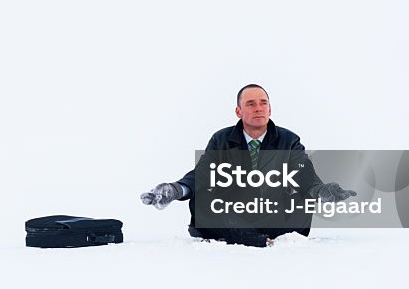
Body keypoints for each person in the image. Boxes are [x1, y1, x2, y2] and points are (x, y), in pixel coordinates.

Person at [140, 84, 356, 246]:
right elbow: (204, 172)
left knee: (301, 196)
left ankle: (251, 236)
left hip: (273, 214)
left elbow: (303, 173)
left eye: (263, 103)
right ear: (238, 111)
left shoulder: (288, 140)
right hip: (232, 215)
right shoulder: (222, 139)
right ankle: (251, 238)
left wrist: (320, 191)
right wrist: (177, 189)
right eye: (251, 104)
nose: (258, 108)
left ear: (270, 109)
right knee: (202, 197)